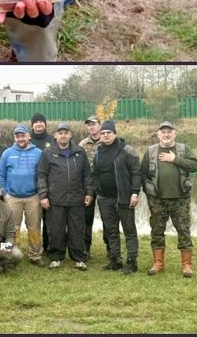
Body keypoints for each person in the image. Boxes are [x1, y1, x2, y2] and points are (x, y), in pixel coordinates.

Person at [140, 121, 197, 277]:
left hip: (180, 199)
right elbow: (143, 174)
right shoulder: (151, 151)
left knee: (184, 231)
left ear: (174, 133)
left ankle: (186, 265)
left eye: (169, 132)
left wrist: (175, 159)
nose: (166, 134)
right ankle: (158, 263)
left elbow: (194, 166)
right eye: (163, 132)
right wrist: (149, 193)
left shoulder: (183, 149)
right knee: (157, 231)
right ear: (158, 134)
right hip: (157, 200)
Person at [37, 122, 93, 270]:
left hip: (76, 198)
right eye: (60, 133)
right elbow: (41, 175)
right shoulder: (47, 153)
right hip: (55, 199)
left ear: (70, 135)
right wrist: (43, 195)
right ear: (55, 135)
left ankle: (79, 258)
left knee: (77, 230)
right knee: (56, 230)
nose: (63, 135)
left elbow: (86, 174)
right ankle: (56, 257)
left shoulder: (79, 152)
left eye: (65, 133)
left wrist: (89, 192)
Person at [90, 121, 141, 274]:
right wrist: (96, 192)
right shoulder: (98, 153)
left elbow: (136, 173)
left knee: (129, 231)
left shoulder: (127, 150)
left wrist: (135, 193)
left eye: (109, 133)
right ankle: (115, 260)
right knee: (111, 231)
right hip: (104, 198)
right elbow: (95, 174)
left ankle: (132, 262)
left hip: (124, 198)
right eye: (103, 133)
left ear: (115, 134)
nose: (105, 135)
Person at [0, 125, 45, 266]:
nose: (20, 138)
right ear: (14, 138)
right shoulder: (7, 153)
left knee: (34, 227)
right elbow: (0, 175)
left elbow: (42, 174)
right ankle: (12, 255)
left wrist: (41, 194)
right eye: (17, 136)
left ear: (29, 136)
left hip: (33, 197)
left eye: (23, 135)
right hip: (12, 197)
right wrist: (5, 194)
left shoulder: (38, 153)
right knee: (12, 228)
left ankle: (35, 255)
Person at [76, 114, 103, 256]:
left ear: (100, 125)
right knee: (87, 218)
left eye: (94, 124)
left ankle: (112, 250)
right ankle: (85, 249)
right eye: (89, 125)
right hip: (87, 184)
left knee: (108, 217)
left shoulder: (106, 140)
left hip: (104, 183)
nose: (91, 127)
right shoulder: (82, 144)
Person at [28, 111, 52, 249]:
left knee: (49, 219)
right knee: (35, 221)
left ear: (45, 124)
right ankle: (36, 247)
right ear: (32, 125)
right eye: (35, 122)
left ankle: (48, 246)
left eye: (41, 122)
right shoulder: (27, 139)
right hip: (32, 187)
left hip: (49, 185)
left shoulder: (52, 140)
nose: (38, 124)